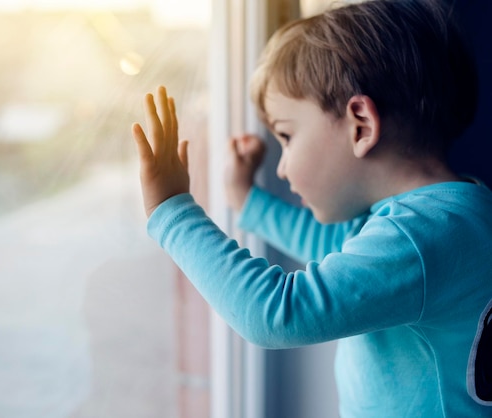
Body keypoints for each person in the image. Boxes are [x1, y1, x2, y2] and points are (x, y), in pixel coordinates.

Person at [130, 0, 492, 416]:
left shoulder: (421, 237)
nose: (281, 166)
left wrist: (172, 211)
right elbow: (333, 246)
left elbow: (277, 315)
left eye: (286, 136)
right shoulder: (454, 215)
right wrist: (248, 201)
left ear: (361, 125)